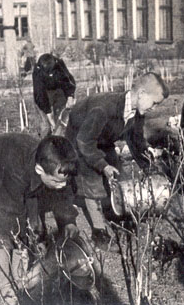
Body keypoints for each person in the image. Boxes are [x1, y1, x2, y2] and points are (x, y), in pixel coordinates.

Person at [0, 133, 80, 305]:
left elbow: (63, 193)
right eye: (57, 181)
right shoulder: (18, 171)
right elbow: (10, 215)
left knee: (30, 221)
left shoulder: (54, 165)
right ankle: (6, 286)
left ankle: (20, 278)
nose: (62, 185)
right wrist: (22, 244)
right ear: (40, 170)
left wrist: (68, 221)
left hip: (12, 171)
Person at [65, 72, 169, 249]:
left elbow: (135, 141)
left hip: (102, 139)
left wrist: (147, 166)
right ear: (142, 94)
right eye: (155, 103)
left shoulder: (137, 111)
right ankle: (99, 233)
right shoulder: (104, 108)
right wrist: (102, 165)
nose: (154, 108)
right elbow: (85, 141)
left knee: (117, 173)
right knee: (93, 182)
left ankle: (118, 216)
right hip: (80, 139)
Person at [33, 53, 76, 137]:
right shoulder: (37, 71)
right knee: (46, 125)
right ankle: (43, 144)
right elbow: (40, 94)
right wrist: (49, 115)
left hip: (59, 89)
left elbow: (68, 81)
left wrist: (70, 96)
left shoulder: (59, 64)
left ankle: (61, 140)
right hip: (44, 92)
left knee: (62, 119)